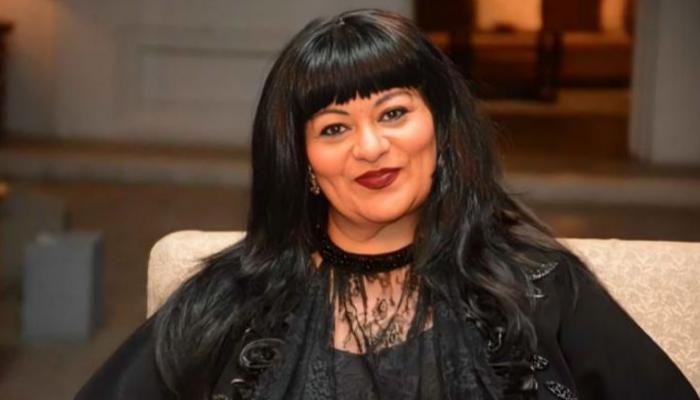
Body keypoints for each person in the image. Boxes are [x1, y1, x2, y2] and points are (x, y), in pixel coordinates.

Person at [75, 8, 698, 400]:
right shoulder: (232, 300)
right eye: (334, 128)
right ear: (303, 163)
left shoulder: (535, 286)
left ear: (440, 129)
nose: (371, 147)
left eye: (394, 113)